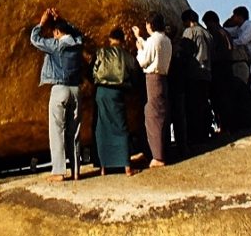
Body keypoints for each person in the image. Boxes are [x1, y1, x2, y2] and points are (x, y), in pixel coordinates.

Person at [29, 7, 85, 181]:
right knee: (74, 132)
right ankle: (76, 171)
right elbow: (78, 33)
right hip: (76, 90)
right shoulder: (77, 43)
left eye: (54, 33)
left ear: (58, 32)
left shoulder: (55, 45)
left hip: (60, 89)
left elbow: (34, 39)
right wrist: (63, 20)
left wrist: (41, 23)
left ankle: (59, 171)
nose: (53, 36)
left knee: (57, 131)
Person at [91, 26, 139, 175]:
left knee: (102, 128)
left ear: (110, 39)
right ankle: (127, 167)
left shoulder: (101, 52)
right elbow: (135, 74)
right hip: (118, 93)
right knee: (121, 126)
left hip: (101, 92)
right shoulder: (127, 56)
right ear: (122, 40)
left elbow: (94, 71)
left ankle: (103, 167)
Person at [132, 11, 173, 167]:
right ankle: (163, 152)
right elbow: (152, 49)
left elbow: (144, 60)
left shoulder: (153, 40)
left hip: (153, 79)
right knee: (161, 115)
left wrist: (138, 49)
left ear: (150, 25)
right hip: (163, 78)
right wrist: (139, 37)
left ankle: (158, 157)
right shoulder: (166, 40)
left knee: (153, 116)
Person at [179, 9, 213, 149]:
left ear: (188, 21)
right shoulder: (207, 33)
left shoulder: (189, 32)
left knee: (193, 106)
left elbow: (184, 53)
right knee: (204, 104)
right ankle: (205, 134)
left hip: (194, 72)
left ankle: (195, 137)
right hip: (207, 73)